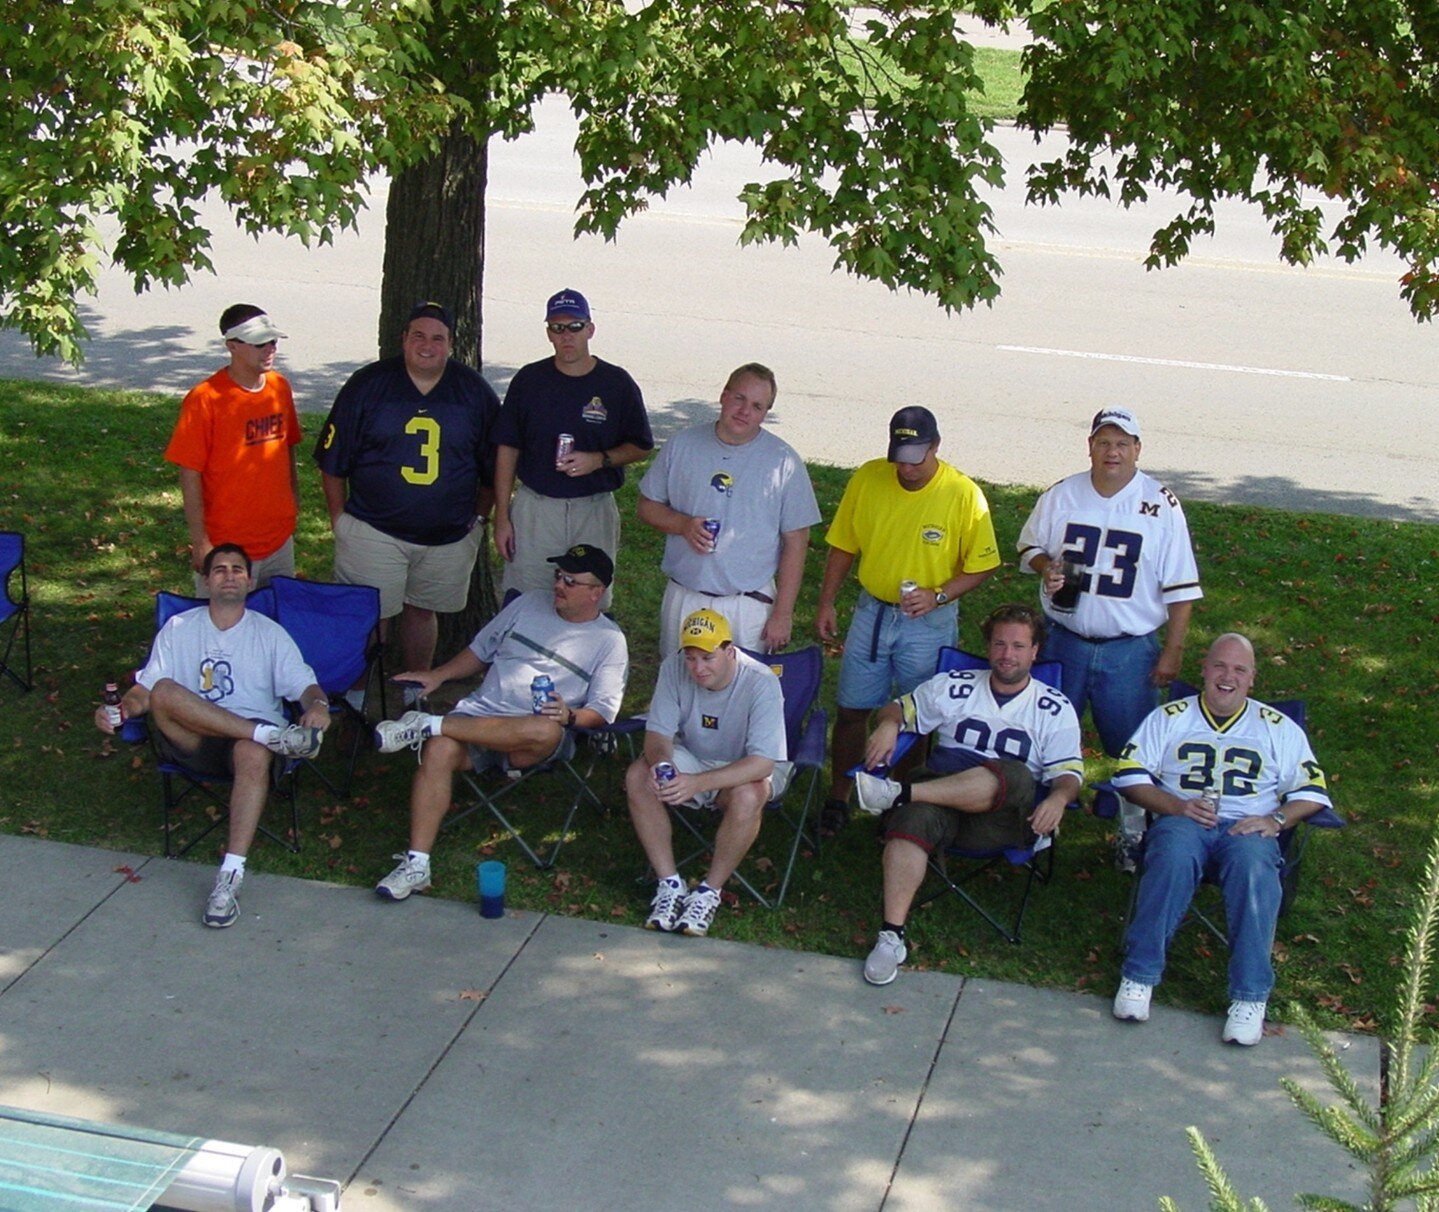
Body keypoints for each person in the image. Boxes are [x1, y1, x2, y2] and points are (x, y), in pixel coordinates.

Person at [370, 544, 628, 900]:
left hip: (533, 739)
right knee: (439, 750)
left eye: (571, 581)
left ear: (596, 592)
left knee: (543, 728)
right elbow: (479, 651)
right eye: (558, 576)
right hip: (480, 715)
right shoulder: (526, 604)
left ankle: (427, 723)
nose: (559, 585)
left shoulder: (610, 642)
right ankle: (417, 864)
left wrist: (569, 715)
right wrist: (439, 675)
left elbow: (602, 712)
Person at [1110, 633, 1332, 1046]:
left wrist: (1277, 818)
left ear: (1252, 679)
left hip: (1248, 827)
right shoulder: (1170, 716)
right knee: (1173, 853)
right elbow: (1128, 774)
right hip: (1183, 819)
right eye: (1220, 666)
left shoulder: (1278, 728)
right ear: (1204, 670)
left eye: (1239, 669)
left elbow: (1313, 793)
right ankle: (1139, 976)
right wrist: (1175, 806)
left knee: (1253, 868)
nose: (1227, 676)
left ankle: (1250, 997)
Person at [94, 544, 331, 929]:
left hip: (249, 749)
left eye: (238, 569)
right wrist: (121, 710)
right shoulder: (180, 628)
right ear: (206, 580)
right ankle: (269, 734)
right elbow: (145, 692)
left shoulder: (269, 634)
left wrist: (318, 706)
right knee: (166, 692)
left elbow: (306, 687)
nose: (229, 575)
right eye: (219, 569)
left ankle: (230, 876)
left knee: (252, 753)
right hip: (195, 740)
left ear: (250, 580)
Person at [850, 604, 1083, 985]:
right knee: (913, 818)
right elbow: (897, 707)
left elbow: (1069, 774)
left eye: (1019, 646)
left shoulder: (1053, 708)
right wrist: (889, 725)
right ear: (988, 646)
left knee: (1015, 774)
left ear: (1035, 651)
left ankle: (897, 794)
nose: (1007, 654)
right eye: (1000, 644)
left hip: (1002, 818)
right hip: (942, 798)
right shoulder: (955, 685)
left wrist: (1057, 799)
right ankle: (891, 935)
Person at [1015, 406, 1202, 866]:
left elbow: (1181, 588)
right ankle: (1033, 827)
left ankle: (1134, 835)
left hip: (1129, 649)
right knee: (1044, 737)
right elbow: (1028, 546)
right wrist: (1047, 567)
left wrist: (1173, 650)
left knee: (1134, 749)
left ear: (1138, 449)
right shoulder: (1062, 495)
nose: (1112, 451)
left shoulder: (1161, 504)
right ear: (1090, 447)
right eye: (1104, 442)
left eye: (1122, 443)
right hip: (1065, 639)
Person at [815, 405, 1001, 837]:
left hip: (928, 622)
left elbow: (983, 565)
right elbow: (843, 544)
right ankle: (838, 797)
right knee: (852, 709)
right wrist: (827, 601)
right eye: (899, 456)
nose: (906, 467)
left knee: (917, 717)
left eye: (916, 457)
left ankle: (900, 801)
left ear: (936, 446)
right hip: (872, 611)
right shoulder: (868, 477)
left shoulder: (962, 494)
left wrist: (938, 596)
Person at [313, 302, 499, 686]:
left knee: (422, 613)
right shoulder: (368, 385)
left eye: (437, 338)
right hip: (374, 530)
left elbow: (494, 468)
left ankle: (417, 694)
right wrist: (339, 519)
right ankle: (358, 697)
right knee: (369, 617)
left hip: (448, 536)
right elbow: (332, 462)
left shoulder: (474, 392)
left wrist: (479, 520)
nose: (427, 346)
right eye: (418, 335)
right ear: (404, 340)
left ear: (451, 344)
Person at [625, 608, 790, 937]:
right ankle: (669, 885)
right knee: (638, 776)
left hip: (748, 764)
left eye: (707, 658)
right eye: (691, 658)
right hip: (695, 756)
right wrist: (663, 766)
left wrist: (697, 783)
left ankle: (708, 893)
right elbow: (657, 737)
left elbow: (763, 763)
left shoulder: (761, 681)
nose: (697, 668)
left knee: (748, 794)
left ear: (729, 651)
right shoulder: (673, 669)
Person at [638, 363, 820, 654]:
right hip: (685, 595)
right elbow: (647, 507)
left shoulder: (783, 462)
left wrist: (783, 614)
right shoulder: (682, 445)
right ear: (724, 395)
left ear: (765, 413)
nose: (745, 411)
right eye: (739, 398)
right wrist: (683, 525)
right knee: (679, 686)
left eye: (758, 406)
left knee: (743, 692)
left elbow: (796, 542)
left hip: (747, 605)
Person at [491, 289, 653, 606]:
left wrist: (600, 460)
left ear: (590, 329)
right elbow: (507, 448)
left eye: (575, 326)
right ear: (549, 332)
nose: (567, 336)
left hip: (593, 509)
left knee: (590, 602)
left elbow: (641, 446)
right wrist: (502, 517)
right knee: (526, 599)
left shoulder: (616, 383)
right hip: (537, 507)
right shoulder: (529, 380)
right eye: (557, 327)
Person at [164, 305, 301, 593]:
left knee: (273, 625)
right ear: (232, 346)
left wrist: (293, 504)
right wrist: (201, 542)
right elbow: (190, 473)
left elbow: (287, 448)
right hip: (228, 547)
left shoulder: (280, 388)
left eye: (273, 342)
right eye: (259, 343)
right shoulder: (205, 399)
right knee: (225, 628)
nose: (270, 349)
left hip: (278, 540)